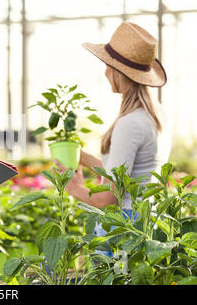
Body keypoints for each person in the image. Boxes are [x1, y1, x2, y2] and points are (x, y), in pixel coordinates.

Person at [54, 22, 171, 248]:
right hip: (146, 221)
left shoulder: (129, 123)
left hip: (123, 227)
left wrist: (74, 188)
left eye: (108, 65)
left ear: (119, 72)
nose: (105, 71)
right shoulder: (156, 114)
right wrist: (84, 159)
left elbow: (109, 200)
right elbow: (132, 171)